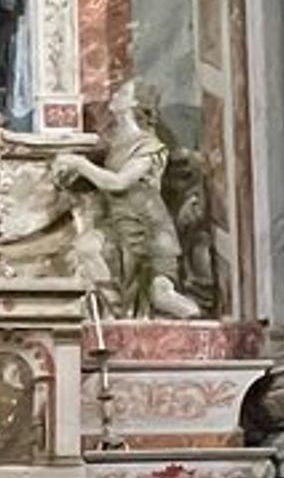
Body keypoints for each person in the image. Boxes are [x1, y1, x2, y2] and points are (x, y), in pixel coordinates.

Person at [53, 80, 203, 319]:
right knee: (84, 248)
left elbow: (119, 182)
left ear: (134, 103)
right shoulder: (116, 144)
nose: (115, 94)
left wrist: (80, 164)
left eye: (123, 92)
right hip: (117, 222)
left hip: (147, 228)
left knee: (160, 294)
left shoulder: (150, 146)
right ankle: (114, 313)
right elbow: (98, 179)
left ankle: (196, 328)